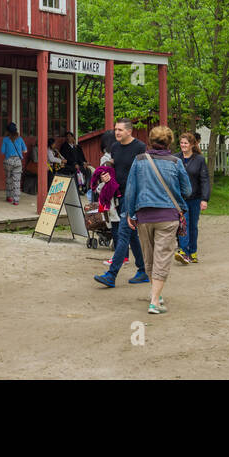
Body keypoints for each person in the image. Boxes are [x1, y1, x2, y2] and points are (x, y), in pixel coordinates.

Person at [121, 125, 191, 314]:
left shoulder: (139, 160)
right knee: (162, 258)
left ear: (150, 141)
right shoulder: (176, 162)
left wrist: (130, 214)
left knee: (149, 258)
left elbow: (130, 189)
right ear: (169, 142)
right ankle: (154, 301)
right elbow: (188, 191)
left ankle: (156, 295)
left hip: (144, 216)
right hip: (168, 217)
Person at [93, 119, 149, 287]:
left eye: (120, 130)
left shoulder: (140, 147)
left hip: (133, 196)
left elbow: (144, 172)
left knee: (123, 233)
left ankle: (111, 275)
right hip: (119, 194)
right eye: (116, 130)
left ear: (129, 131)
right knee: (131, 235)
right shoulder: (115, 148)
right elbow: (115, 168)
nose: (117, 133)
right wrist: (106, 175)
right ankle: (143, 270)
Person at [175, 132, 210, 265]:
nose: (183, 145)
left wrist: (204, 199)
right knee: (183, 224)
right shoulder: (175, 158)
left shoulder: (199, 159)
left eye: (186, 143)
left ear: (192, 145)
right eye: (181, 143)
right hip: (180, 198)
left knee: (192, 226)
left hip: (195, 198)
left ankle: (193, 252)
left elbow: (205, 180)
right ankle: (183, 251)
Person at [1, 122, 26, 206]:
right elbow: (25, 150)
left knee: (9, 179)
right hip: (18, 161)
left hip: (8, 161)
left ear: (7, 131)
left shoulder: (5, 139)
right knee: (17, 181)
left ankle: (9, 197)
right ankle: (16, 200)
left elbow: (2, 151)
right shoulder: (20, 139)